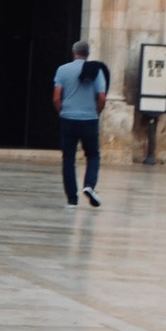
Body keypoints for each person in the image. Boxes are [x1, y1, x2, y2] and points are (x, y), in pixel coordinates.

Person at [52, 33, 109, 206]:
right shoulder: (96, 70)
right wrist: (96, 112)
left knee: (68, 158)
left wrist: (62, 111)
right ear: (87, 53)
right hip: (89, 119)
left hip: (68, 118)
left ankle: (72, 199)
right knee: (93, 155)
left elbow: (56, 97)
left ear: (73, 53)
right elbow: (101, 97)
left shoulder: (62, 70)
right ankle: (89, 185)